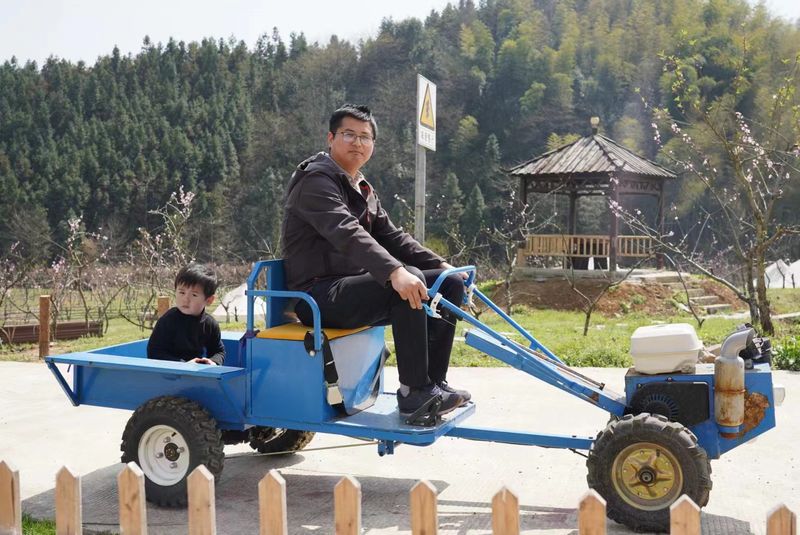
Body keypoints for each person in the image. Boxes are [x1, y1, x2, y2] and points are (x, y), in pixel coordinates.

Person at [281, 103, 470, 418]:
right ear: (331, 138)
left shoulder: (361, 187)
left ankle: (434, 384)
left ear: (372, 144)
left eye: (365, 137)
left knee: (446, 283)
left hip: (350, 287)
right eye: (349, 134)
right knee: (404, 282)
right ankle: (414, 393)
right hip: (317, 294)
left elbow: (392, 236)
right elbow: (348, 233)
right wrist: (395, 271)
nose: (357, 143)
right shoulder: (315, 181)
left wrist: (441, 265)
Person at [147, 263, 225, 366]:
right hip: (168, 372)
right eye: (182, 293)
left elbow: (218, 351)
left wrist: (213, 362)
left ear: (209, 300)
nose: (186, 299)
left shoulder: (210, 324)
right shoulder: (168, 320)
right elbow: (154, 352)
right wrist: (183, 365)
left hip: (197, 371)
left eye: (194, 295)